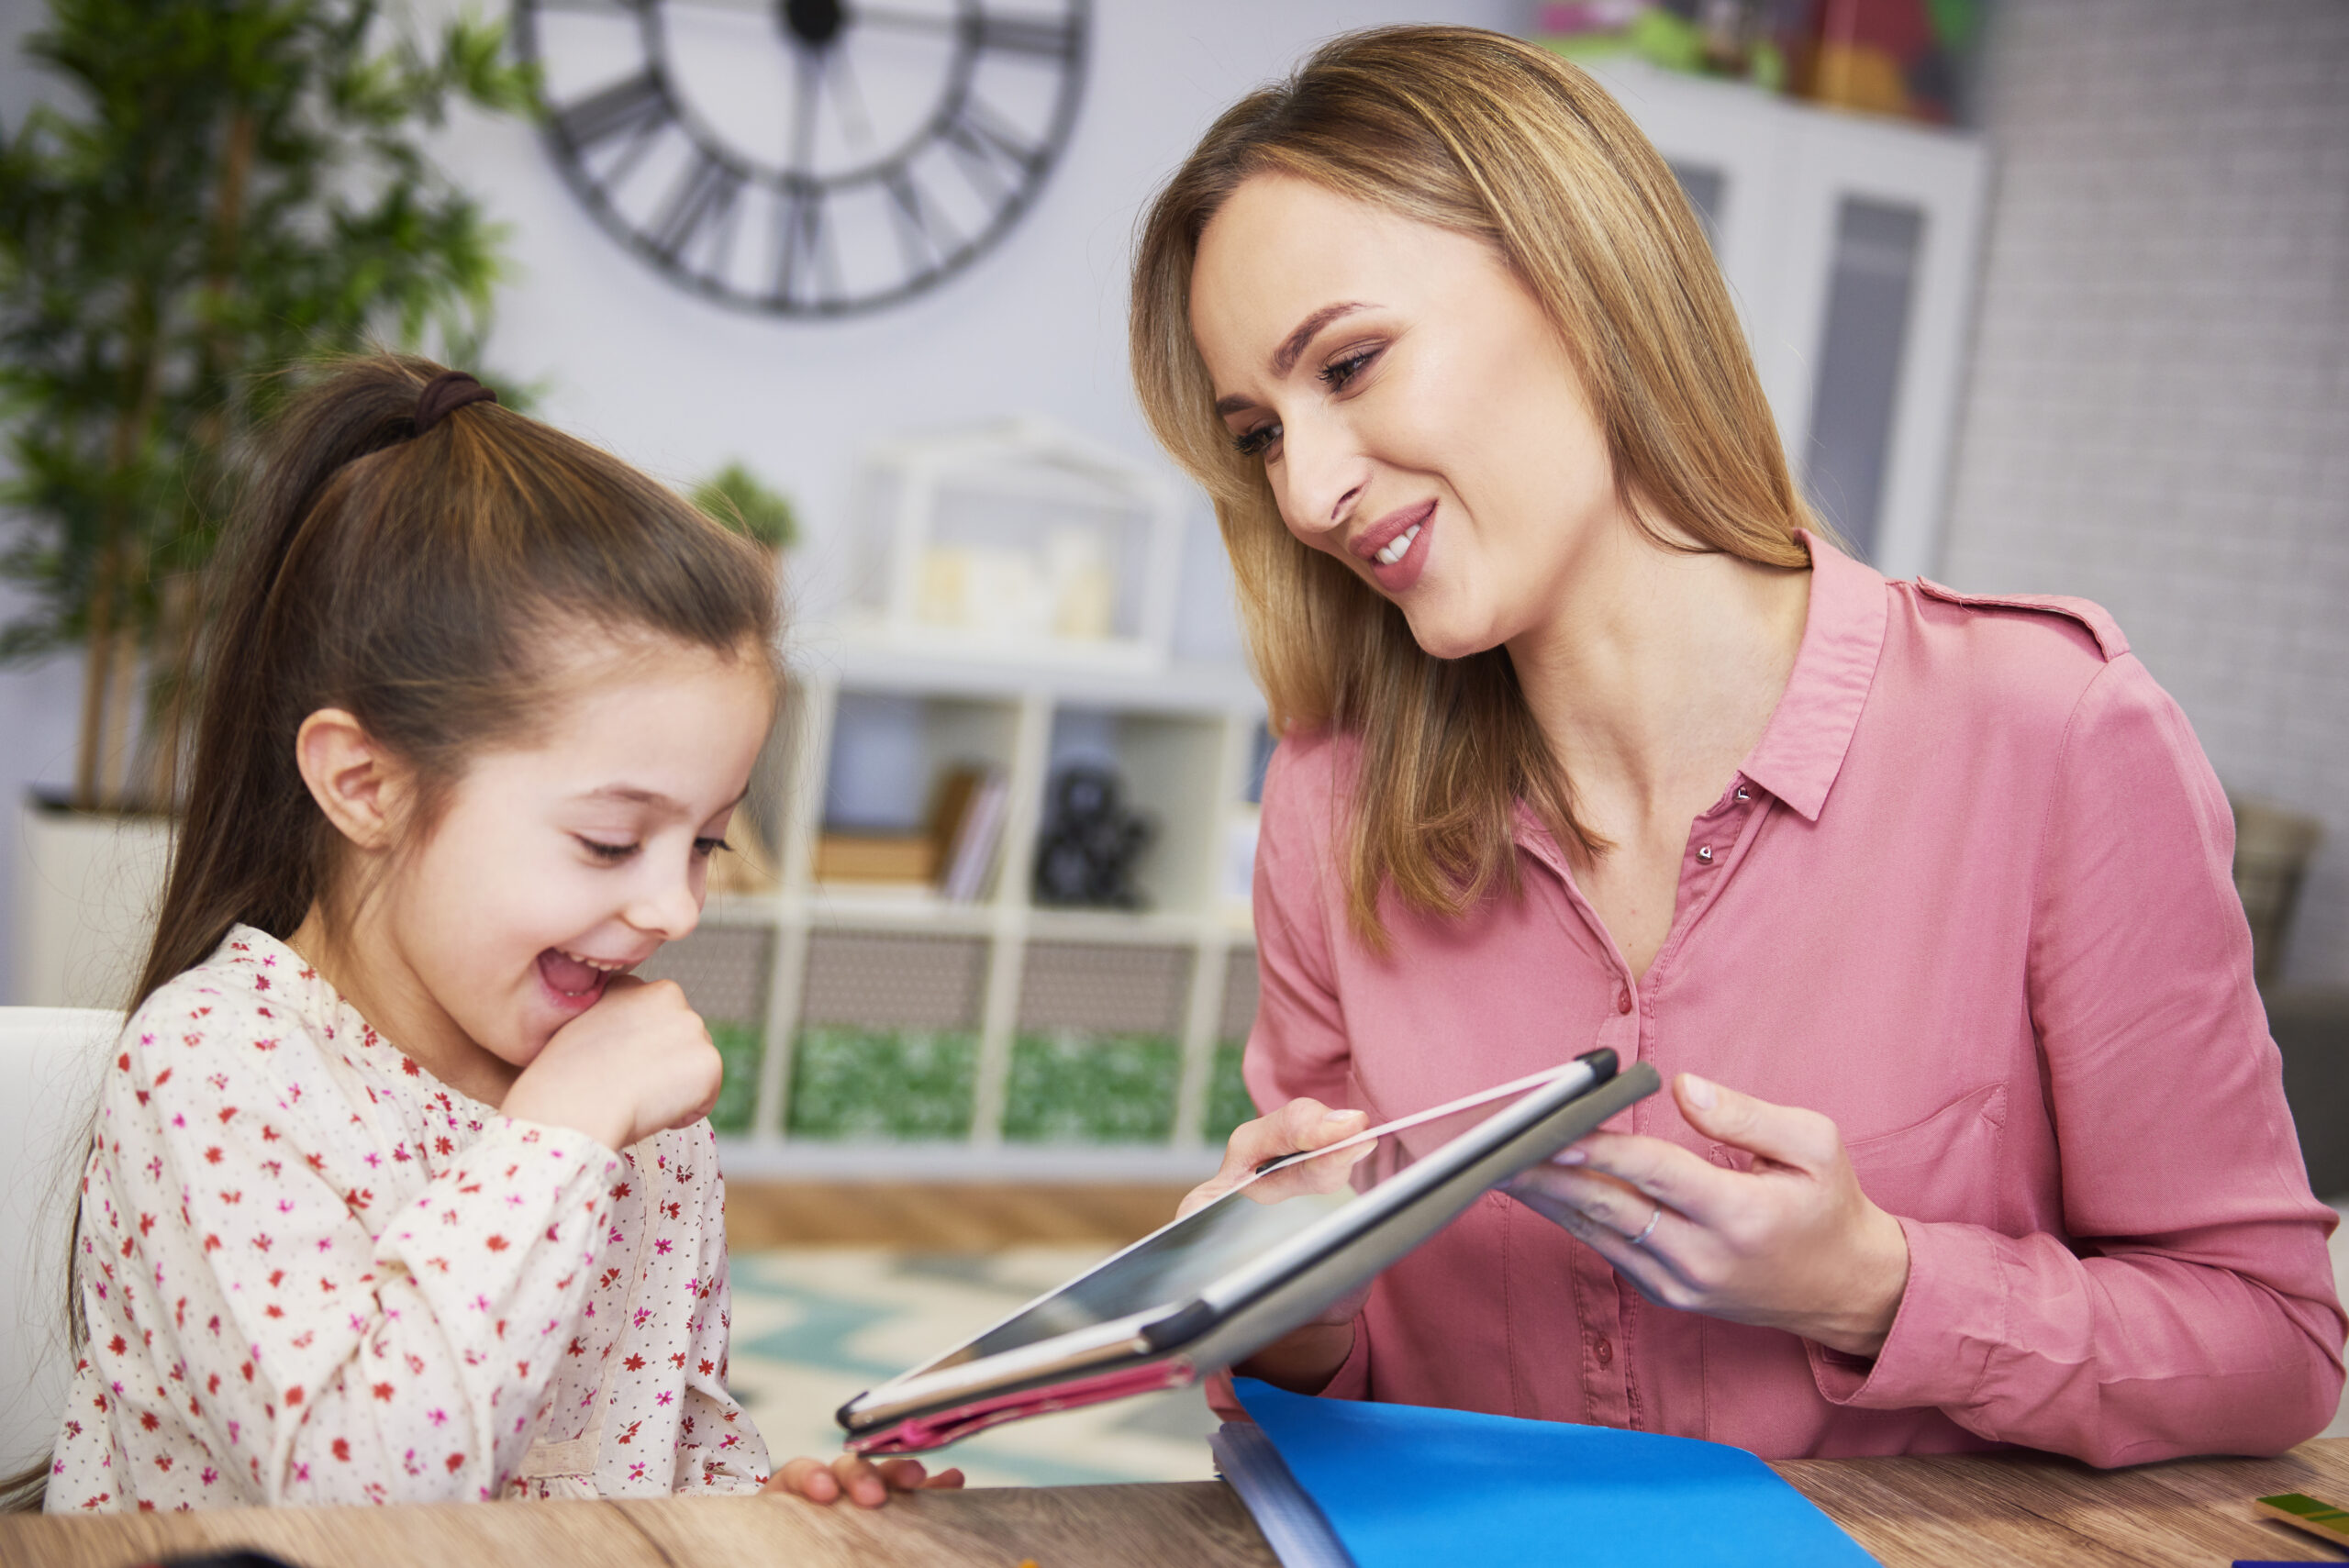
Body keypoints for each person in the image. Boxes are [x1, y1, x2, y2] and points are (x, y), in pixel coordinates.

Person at [1132, 27, 2344, 1464]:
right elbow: (1337, 1391)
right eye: (1261, 434)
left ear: (1582, 280)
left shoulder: (2049, 733)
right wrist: (1282, 1312)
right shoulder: (1330, 808)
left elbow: (2274, 1343)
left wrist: (1877, 1286)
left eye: (1351, 362)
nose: (1314, 490)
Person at [20, 356, 956, 1511]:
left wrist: (768, 1511)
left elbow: (662, 1460)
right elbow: (350, 1495)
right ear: (364, 782)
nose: (674, 908)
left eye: (706, 842)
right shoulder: (220, 1067)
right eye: (612, 841)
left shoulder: (641, 1122)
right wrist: (560, 1129)